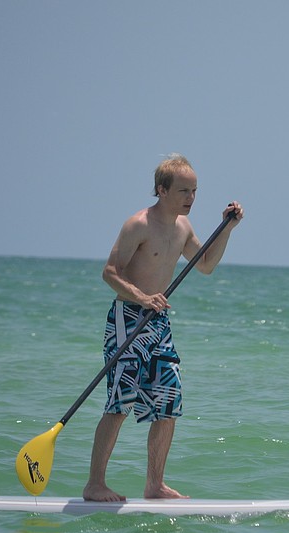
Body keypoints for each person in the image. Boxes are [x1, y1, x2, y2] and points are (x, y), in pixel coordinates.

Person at [82, 153, 243, 502]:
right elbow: (110, 272)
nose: (191, 198)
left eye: (195, 191)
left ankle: (154, 485)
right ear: (161, 189)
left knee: (169, 402)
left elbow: (206, 265)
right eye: (184, 190)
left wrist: (227, 229)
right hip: (128, 321)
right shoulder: (137, 225)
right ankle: (95, 483)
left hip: (159, 325)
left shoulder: (183, 228)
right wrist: (142, 297)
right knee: (119, 402)